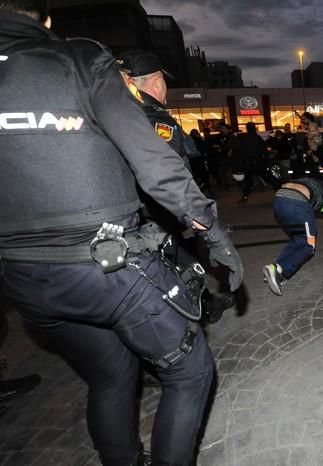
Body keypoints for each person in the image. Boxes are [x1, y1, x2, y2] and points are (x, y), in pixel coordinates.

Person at [0, 3, 243, 465]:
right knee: (191, 373)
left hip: (23, 280)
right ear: (46, 20)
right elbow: (156, 166)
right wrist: (214, 234)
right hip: (106, 269)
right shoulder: (79, 60)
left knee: (110, 377)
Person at [118, 50, 235, 323]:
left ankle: (200, 303)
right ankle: (199, 309)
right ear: (157, 81)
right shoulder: (155, 119)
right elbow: (165, 175)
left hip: (130, 217)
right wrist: (200, 218)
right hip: (157, 217)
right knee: (183, 266)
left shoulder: (120, 116)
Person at [263, 175, 323, 296]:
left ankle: (278, 273)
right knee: (308, 245)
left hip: (279, 198)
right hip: (297, 201)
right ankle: (278, 268)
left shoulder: (314, 182)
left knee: (298, 238)